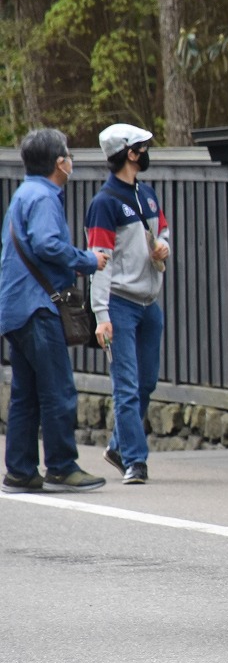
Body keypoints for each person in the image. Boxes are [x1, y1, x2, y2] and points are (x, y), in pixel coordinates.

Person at [1, 129, 110, 493]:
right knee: (58, 389)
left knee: (25, 393)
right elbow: (48, 244)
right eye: (67, 156)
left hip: (15, 306)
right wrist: (86, 260)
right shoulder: (45, 197)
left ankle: (20, 469)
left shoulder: (22, 194)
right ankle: (61, 465)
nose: (70, 162)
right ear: (59, 162)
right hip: (38, 307)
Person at [86, 123, 171, 486]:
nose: (146, 152)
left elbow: (163, 230)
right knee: (126, 385)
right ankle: (136, 461)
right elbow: (98, 261)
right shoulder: (104, 205)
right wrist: (101, 315)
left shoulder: (147, 194)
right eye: (141, 147)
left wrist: (165, 245)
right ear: (129, 154)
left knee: (147, 381)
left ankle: (119, 446)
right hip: (120, 304)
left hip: (149, 303)